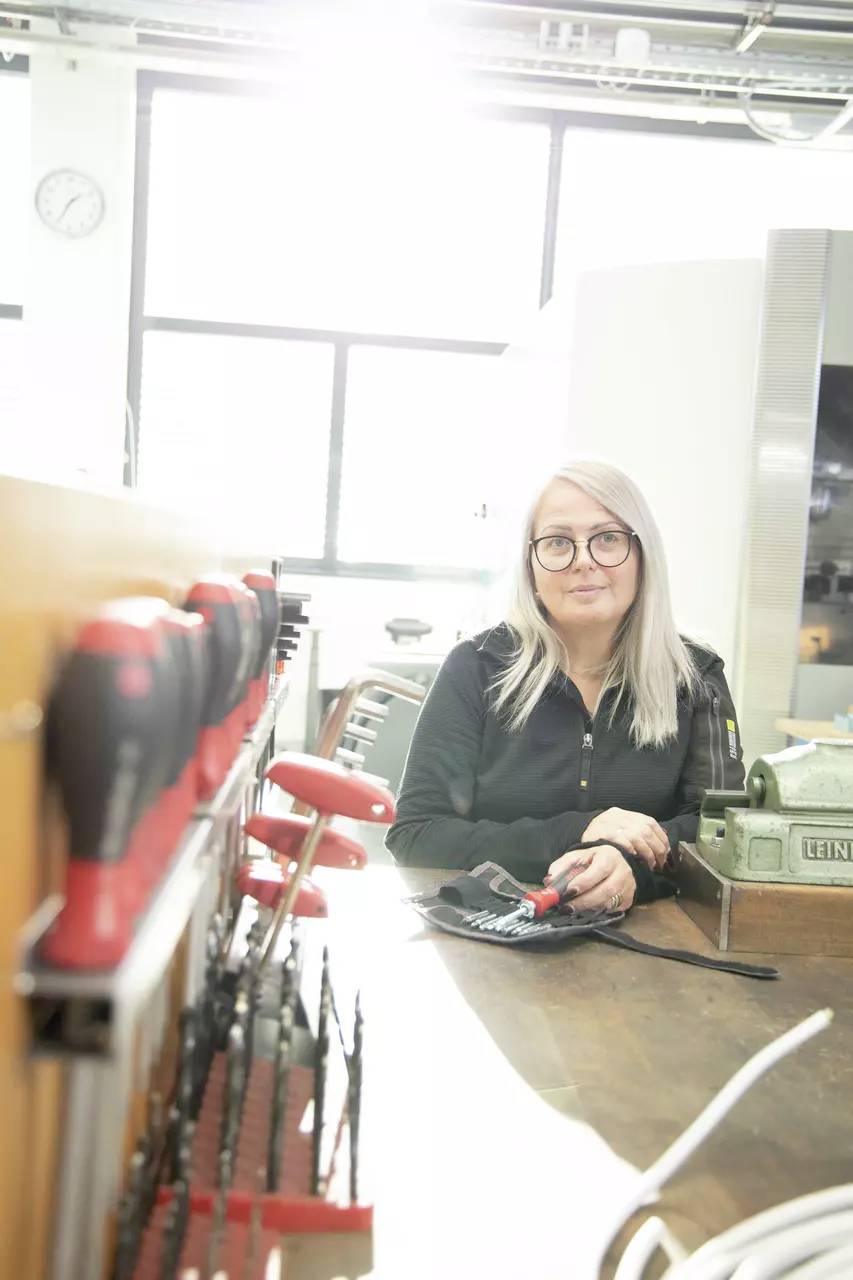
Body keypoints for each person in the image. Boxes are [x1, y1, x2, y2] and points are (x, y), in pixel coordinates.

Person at [385, 460, 745, 913]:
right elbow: (416, 834)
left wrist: (625, 865)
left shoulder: (698, 678)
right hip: (490, 936)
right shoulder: (475, 669)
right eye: (558, 542)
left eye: (608, 538)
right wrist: (582, 829)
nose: (583, 561)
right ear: (531, 565)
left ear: (643, 554)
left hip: (649, 944)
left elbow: (721, 831)